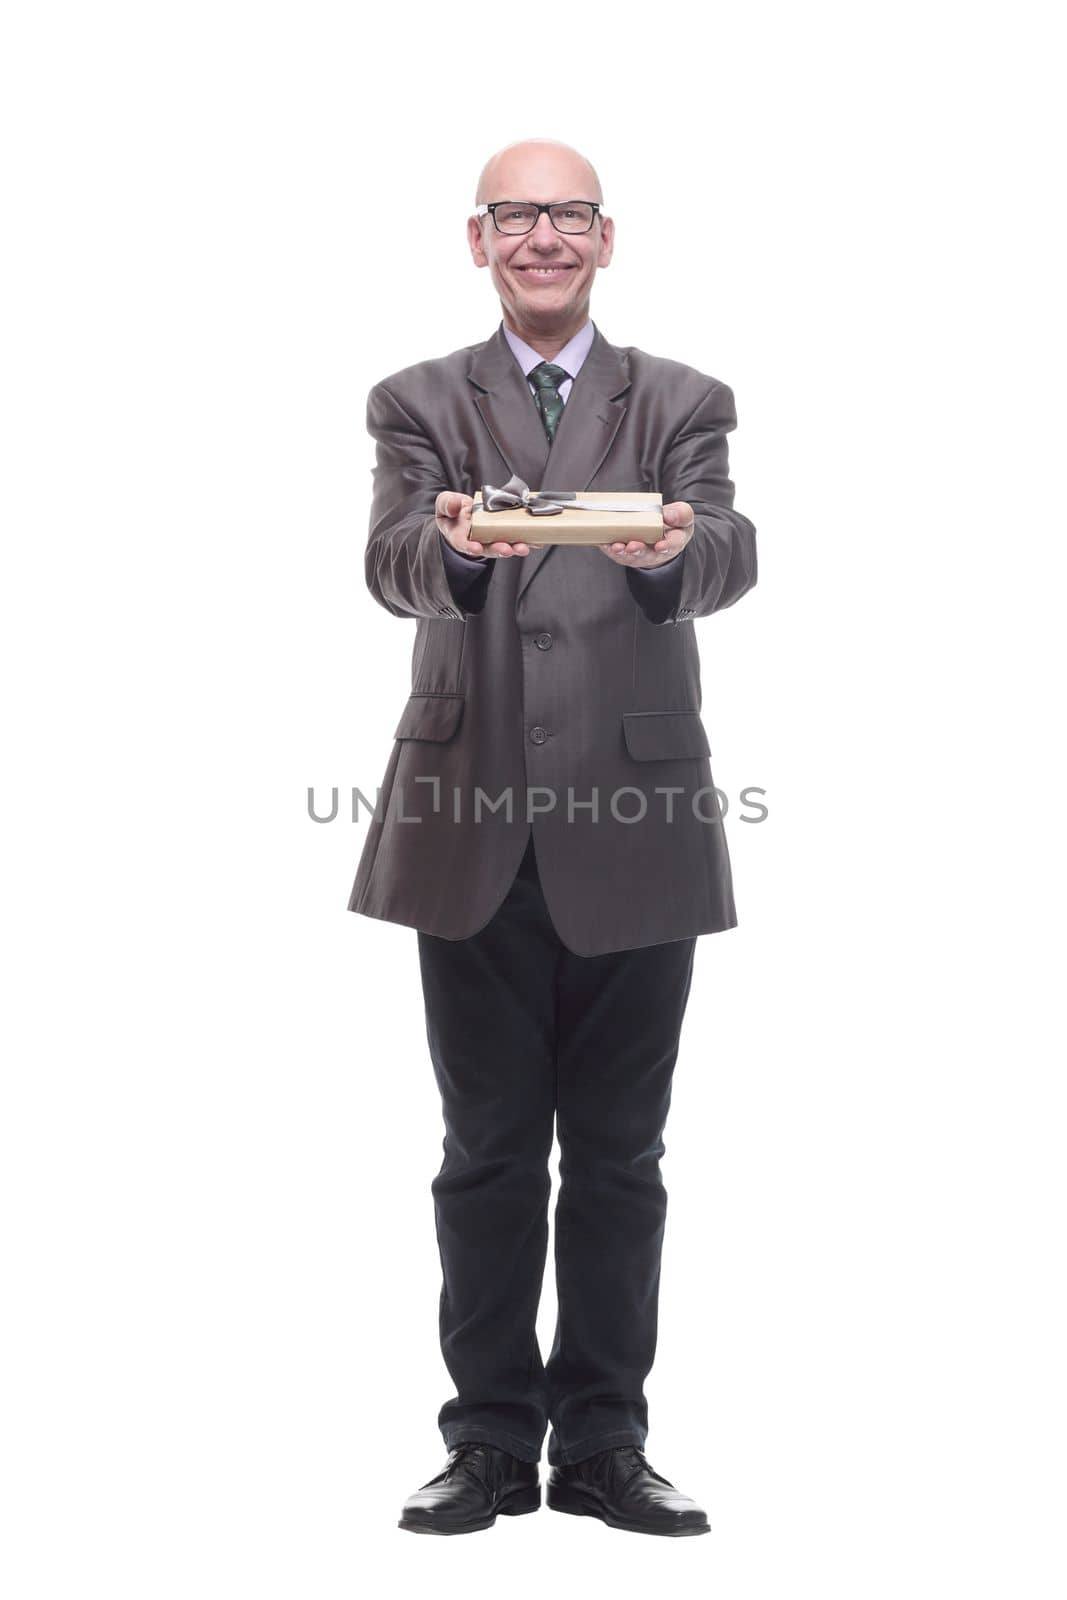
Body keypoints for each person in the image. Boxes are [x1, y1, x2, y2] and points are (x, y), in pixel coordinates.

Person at [347, 137, 758, 1536]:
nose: (541, 238)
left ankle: (602, 1443)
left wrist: (671, 558)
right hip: (469, 819)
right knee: (487, 1150)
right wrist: (458, 544)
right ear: (479, 241)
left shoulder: (681, 398)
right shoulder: (418, 400)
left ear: (605, 237)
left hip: (636, 819)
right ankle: (485, 1444)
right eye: (515, 216)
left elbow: (730, 550)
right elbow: (392, 560)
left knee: (624, 1154)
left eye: (565, 215)